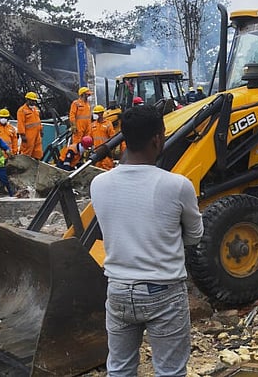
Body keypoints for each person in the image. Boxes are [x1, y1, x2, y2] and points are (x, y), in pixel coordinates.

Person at [90, 104, 203, 377]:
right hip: (163, 291)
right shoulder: (178, 185)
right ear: (157, 139)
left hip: (118, 289)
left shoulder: (99, 184)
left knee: (119, 370)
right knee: (169, 372)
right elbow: (194, 235)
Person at [17, 91, 43, 159]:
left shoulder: (35, 109)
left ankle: (36, 162)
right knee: (27, 150)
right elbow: (21, 123)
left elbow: (38, 120)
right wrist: (22, 135)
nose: (33, 102)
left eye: (34, 101)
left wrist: (41, 129)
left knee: (37, 150)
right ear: (27, 100)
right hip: (28, 134)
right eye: (32, 100)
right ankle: (24, 163)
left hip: (37, 134)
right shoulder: (22, 110)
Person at [90, 105, 115, 170]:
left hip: (106, 151)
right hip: (96, 152)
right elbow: (90, 138)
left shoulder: (108, 124)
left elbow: (112, 137)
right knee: (97, 169)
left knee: (107, 168)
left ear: (101, 113)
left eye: (96, 113)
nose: (95, 115)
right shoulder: (93, 125)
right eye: (95, 113)